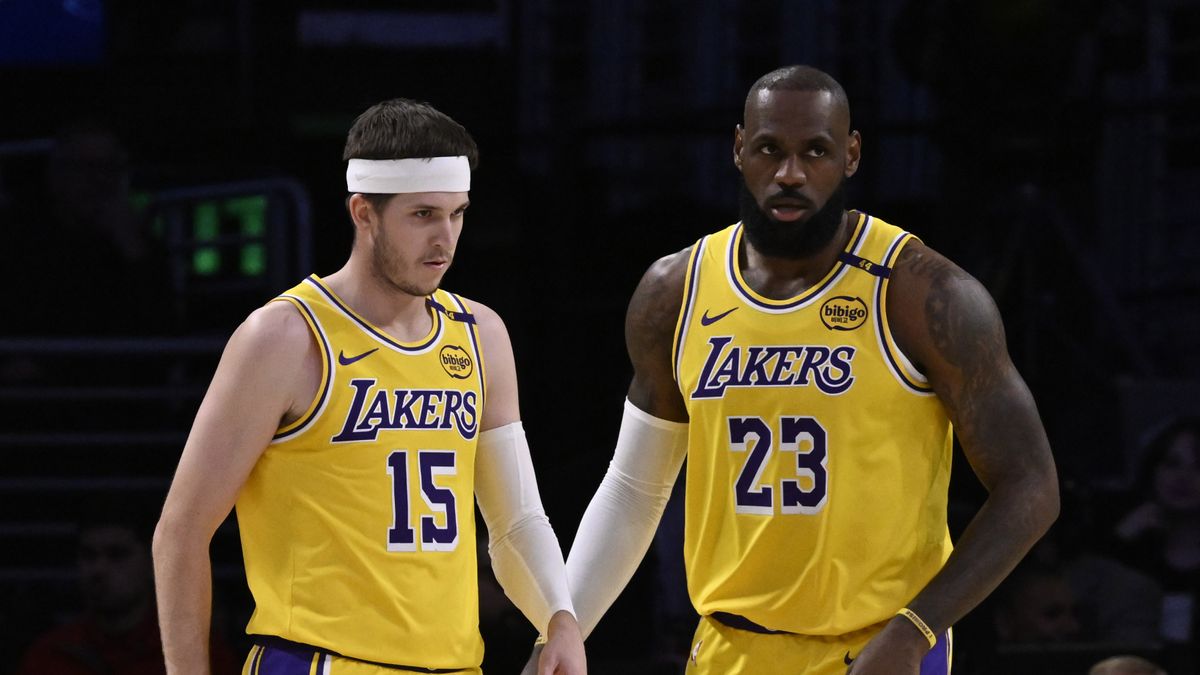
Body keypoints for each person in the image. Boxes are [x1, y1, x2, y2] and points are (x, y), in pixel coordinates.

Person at [528, 65, 1060, 674]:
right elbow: (634, 490)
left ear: (851, 155)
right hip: (728, 648)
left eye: (816, 151)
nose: (790, 173)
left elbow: (1032, 486)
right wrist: (561, 630)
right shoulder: (675, 290)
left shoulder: (923, 294)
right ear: (738, 149)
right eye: (769, 150)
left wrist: (916, 631)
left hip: (878, 649)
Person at [153, 99, 586, 675]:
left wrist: (558, 617)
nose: (445, 239)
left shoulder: (480, 334)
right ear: (363, 213)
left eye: (457, 214)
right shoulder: (284, 337)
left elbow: (515, 518)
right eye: (423, 215)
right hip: (320, 662)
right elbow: (180, 533)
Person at [17, 505, 237, 675]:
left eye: (117, 554)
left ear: (152, 563)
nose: (99, 569)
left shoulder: (197, 655)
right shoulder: (51, 656)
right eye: (88, 555)